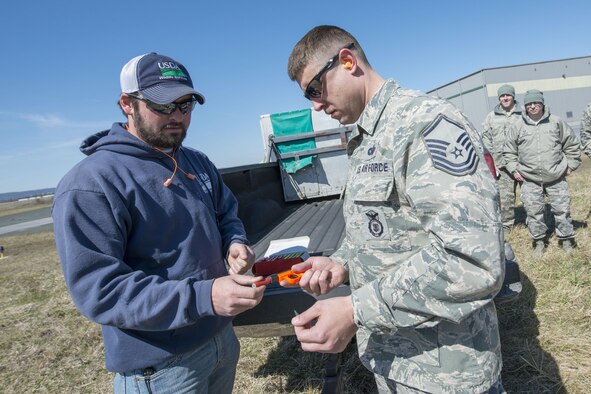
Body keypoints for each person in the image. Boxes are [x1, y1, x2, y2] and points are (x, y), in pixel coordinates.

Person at [286, 26, 505, 393]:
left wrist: (356, 310)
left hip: (446, 371)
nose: (315, 106)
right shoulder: (368, 136)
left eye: (314, 89)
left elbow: (472, 260)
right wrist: (342, 263)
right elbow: (390, 233)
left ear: (347, 61)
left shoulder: (425, 124)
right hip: (397, 362)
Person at [52, 53, 265, 394]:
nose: (178, 116)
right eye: (163, 105)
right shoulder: (92, 183)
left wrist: (234, 243)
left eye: (186, 105)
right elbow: (100, 291)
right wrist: (204, 297)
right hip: (162, 367)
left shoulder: (197, 161)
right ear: (127, 104)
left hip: (221, 339)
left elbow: (226, 214)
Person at [503, 89, 581, 255]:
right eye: (529, 104)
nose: (532, 107)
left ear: (542, 104)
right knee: (533, 212)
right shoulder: (517, 125)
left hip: (556, 176)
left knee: (562, 210)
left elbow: (572, 145)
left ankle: (566, 240)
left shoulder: (556, 122)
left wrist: (571, 165)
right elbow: (508, 151)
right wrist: (513, 169)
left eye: (536, 103)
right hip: (529, 178)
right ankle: (539, 241)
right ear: (525, 106)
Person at [482, 84, 522, 237]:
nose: (505, 98)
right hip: (502, 166)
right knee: (505, 200)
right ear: (499, 98)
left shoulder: (523, 113)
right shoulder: (491, 117)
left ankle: (534, 223)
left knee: (530, 196)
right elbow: (486, 140)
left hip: (522, 164)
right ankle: (506, 227)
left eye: (508, 95)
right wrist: (492, 163)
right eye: (502, 96)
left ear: (513, 96)